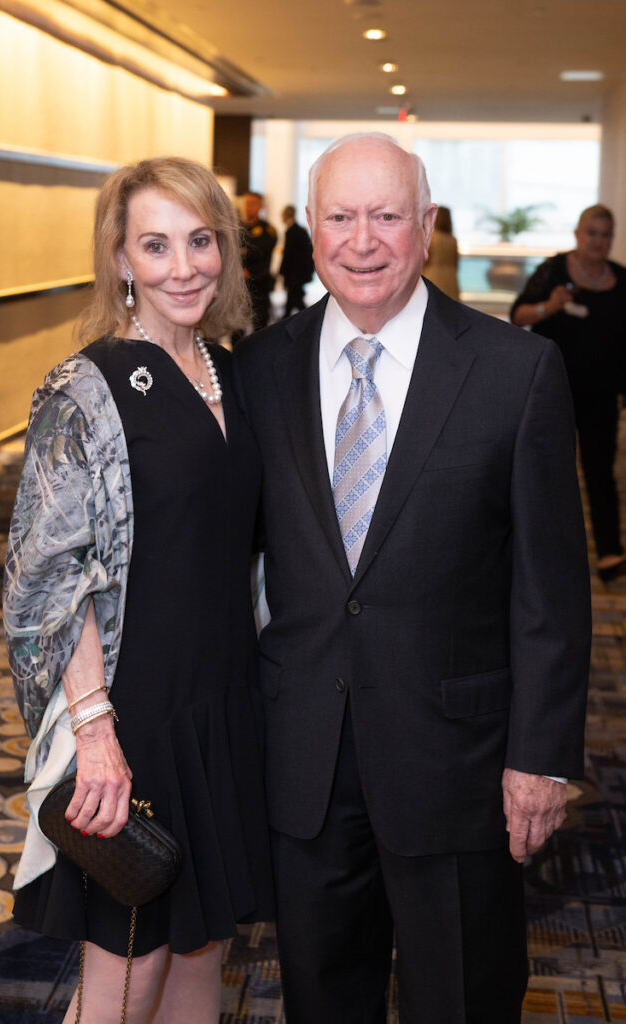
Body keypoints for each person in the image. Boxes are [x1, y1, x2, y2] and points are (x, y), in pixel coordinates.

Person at [235, 133, 591, 1024]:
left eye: (387, 216)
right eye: (342, 217)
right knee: (321, 996)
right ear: (312, 232)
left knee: (461, 998)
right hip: (303, 760)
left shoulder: (516, 371)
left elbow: (549, 589)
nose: (364, 241)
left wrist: (540, 757)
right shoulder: (257, 372)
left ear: (425, 226)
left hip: (460, 767)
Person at [3, 156, 273, 1024]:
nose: (183, 266)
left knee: (201, 955)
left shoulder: (231, 372)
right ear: (120, 259)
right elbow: (49, 577)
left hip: (223, 704)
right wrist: (95, 734)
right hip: (136, 715)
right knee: (128, 975)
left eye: (200, 241)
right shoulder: (89, 387)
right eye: (155, 246)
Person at [511, 204, 626, 582]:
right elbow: (518, 315)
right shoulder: (554, 270)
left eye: (605, 234)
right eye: (591, 232)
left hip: (602, 394)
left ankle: (610, 552)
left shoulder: (621, 280)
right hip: (553, 391)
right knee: (546, 472)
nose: (597, 241)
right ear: (578, 234)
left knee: (600, 472)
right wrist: (551, 305)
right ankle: (539, 554)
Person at [240, 191, 277, 332]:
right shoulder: (239, 229)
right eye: (247, 204)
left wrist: (249, 272)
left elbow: (262, 255)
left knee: (260, 327)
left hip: (259, 285)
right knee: (237, 328)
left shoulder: (268, 230)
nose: (248, 207)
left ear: (261, 206)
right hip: (240, 287)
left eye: (252, 204)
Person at [279, 204, 315, 317]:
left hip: (295, 273)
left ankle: (309, 318)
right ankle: (286, 319)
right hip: (300, 272)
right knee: (293, 298)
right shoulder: (301, 230)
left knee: (295, 299)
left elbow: (288, 254)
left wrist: (281, 271)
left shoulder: (291, 231)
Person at [422, 204, 460, 300]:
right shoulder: (452, 240)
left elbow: (425, 260)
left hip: (433, 276)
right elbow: (456, 263)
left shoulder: (432, 237)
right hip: (451, 279)